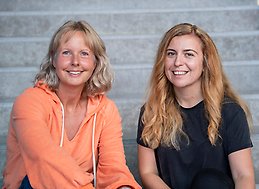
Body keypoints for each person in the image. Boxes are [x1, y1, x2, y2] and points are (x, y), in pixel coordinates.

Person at [2, 20, 141, 189]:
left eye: (84, 53)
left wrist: (123, 187)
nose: (75, 61)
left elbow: (113, 166)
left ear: (95, 63)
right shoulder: (30, 101)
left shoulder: (106, 110)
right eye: (66, 52)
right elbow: (45, 160)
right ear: (53, 59)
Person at [137, 23, 255, 189]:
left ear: (205, 62)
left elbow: (243, 176)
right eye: (171, 54)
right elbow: (148, 172)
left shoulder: (230, 112)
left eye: (189, 54)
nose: (178, 62)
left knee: (209, 181)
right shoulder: (152, 111)